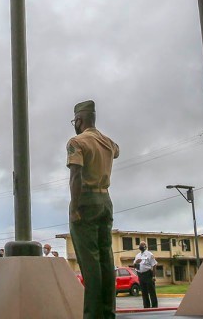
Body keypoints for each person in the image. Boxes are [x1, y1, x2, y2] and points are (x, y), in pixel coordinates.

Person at [67, 100, 119, 319]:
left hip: (86, 200)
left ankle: (93, 315)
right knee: (106, 260)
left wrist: (74, 206)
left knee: (90, 263)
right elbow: (116, 152)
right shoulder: (108, 142)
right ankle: (108, 313)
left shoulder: (76, 142)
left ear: (79, 120)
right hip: (105, 200)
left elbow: (76, 175)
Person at [133, 241, 158, 308]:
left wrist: (154, 276)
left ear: (145, 246)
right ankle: (146, 306)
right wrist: (136, 262)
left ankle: (154, 306)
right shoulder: (137, 255)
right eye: (140, 245)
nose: (141, 246)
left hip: (148, 274)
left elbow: (154, 265)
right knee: (144, 292)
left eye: (142, 245)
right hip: (140, 275)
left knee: (151, 291)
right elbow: (134, 266)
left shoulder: (149, 254)